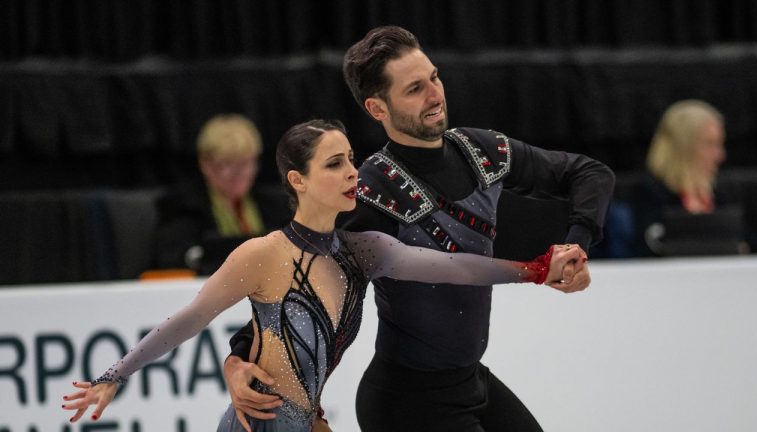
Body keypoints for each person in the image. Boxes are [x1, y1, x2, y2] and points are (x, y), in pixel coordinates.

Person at [61, 119, 588, 432]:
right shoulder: (261, 255)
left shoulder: (363, 251)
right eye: (334, 165)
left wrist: (534, 270)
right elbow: (188, 319)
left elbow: (455, 267)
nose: (353, 173)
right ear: (299, 180)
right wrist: (114, 377)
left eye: (352, 160)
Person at [224, 26, 614, 431]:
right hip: (406, 404)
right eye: (414, 89)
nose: (435, 95)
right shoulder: (371, 191)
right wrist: (237, 360)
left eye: (434, 77)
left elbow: (589, 172)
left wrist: (576, 245)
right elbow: (298, 292)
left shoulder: (479, 151)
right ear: (378, 109)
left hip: (469, 384)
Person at [155, 114, 291, 274]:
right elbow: (171, 259)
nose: (238, 173)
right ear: (205, 164)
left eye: (245, 163)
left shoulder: (277, 204)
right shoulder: (182, 205)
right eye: (227, 164)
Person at [634, 99, 744, 256]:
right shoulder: (652, 194)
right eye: (710, 144)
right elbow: (650, 250)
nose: (720, 155)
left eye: (719, 144)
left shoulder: (722, 193)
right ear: (683, 147)